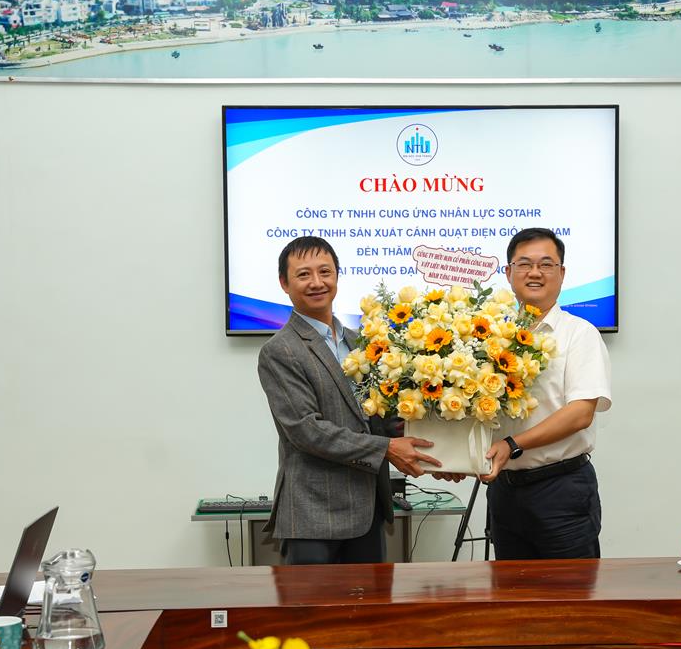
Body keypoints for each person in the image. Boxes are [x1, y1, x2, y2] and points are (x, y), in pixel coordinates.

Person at [257, 236, 440, 565]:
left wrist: (438, 450)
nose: (317, 282)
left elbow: (380, 417)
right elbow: (307, 431)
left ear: (338, 276)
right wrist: (387, 448)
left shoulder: (361, 343)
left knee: (372, 601)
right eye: (303, 274)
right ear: (284, 283)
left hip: (369, 510)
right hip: (314, 514)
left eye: (325, 271)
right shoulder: (280, 350)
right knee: (314, 602)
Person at [480, 227, 612, 559]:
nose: (535, 272)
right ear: (508, 273)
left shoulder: (579, 334)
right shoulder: (489, 338)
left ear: (562, 273)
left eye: (546, 264)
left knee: (571, 590)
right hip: (505, 492)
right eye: (524, 264)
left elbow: (581, 414)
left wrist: (512, 445)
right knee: (511, 590)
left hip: (561, 490)